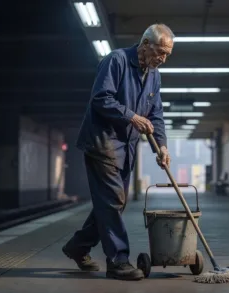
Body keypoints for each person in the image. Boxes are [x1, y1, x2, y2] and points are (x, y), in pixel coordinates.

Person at [62, 23, 174, 281]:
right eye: (160, 51)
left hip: (126, 148)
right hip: (102, 143)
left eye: (168, 54)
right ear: (145, 44)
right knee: (112, 201)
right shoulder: (117, 60)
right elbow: (101, 98)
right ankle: (118, 261)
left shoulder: (154, 75)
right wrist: (132, 117)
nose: (163, 59)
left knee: (113, 204)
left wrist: (163, 145)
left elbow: (156, 114)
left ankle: (78, 246)